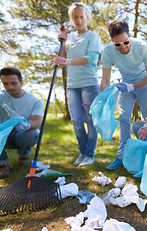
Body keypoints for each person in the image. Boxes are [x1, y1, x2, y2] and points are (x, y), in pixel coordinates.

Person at [100, 19, 147, 170]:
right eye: (117, 44)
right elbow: (105, 80)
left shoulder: (142, 47)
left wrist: (132, 87)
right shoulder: (108, 51)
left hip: (144, 84)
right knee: (124, 118)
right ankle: (123, 156)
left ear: (129, 36)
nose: (122, 47)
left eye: (125, 42)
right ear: (112, 41)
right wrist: (102, 101)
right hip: (125, 85)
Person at [53, 2, 101, 167]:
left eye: (82, 17)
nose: (79, 20)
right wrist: (61, 41)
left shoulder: (92, 36)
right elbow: (61, 59)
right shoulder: (69, 37)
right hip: (73, 85)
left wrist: (67, 61)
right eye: (75, 17)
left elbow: (92, 58)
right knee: (77, 123)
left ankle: (90, 154)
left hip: (89, 83)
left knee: (90, 121)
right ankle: (82, 152)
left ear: (87, 18)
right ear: (71, 19)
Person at [0, 68, 44, 178]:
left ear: (21, 82)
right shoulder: (1, 97)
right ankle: (2, 163)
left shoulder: (35, 100)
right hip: (4, 135)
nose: (10, 87)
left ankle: (24, 155)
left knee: (32, 133)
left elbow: (37, 122)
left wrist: (27, 125)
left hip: (23, 134)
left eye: (13, 83)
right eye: (5, 84)